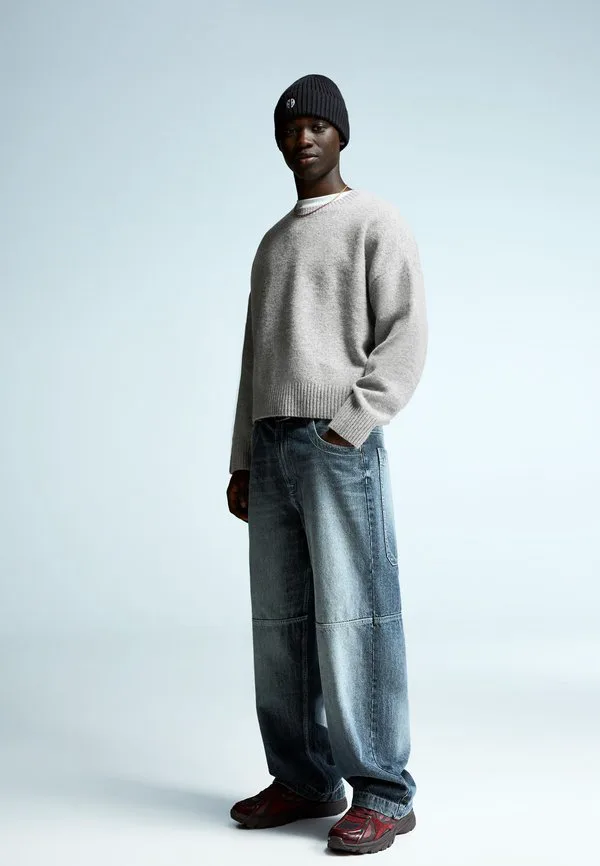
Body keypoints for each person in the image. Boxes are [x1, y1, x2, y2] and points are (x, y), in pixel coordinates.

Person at [226, 73, 428, 856]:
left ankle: (384, 792)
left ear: (341, 134)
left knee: (356, 615)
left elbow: (405, 334)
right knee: (279, 625)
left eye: (316, 125)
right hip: (272, 443)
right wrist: (244, 457)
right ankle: (305, 779)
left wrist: (352, 426)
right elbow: (254, 359)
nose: (302, 137)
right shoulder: (273, 242)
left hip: (338, 442)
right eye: (289, 128)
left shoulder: (374, 219)